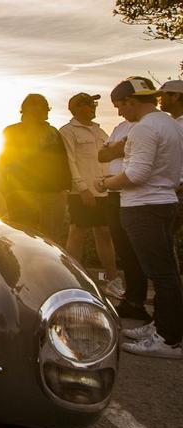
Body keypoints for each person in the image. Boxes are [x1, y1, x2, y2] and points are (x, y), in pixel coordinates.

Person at [94, 76, 183, 358]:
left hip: (144, 206)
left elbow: (136, 174)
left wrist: (106, 183)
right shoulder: (169, 123)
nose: (120, 112)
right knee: (165, 270)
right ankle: (162, 325)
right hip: (162, 201)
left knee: (162, 274)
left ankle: (168, 340)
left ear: (131, 101)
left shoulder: (145, 128)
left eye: (120, 106)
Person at [59, 93, 124, 298]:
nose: (92, 108)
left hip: (104, 190)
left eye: (93, 104)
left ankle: (112, 280)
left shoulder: (100, 131)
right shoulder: (67, 131)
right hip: (83, 192)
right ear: (75, 108)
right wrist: (82, 188)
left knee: (104, 233)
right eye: (88, 104)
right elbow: (70, 161)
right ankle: (72, 280)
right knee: (77, 233)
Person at [0, 94, 71, 242]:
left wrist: (65, 190)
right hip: (22, 195)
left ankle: (49, 266)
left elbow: (63, 160)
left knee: (51, 243)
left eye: (47, 107)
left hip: (53, 195)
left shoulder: (54, 132)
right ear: (29, 109)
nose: (47, 111)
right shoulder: (12, 131)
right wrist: (9, 192)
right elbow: (2, 163)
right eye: (44, 107)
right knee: (23, 240)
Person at [99, 117, 150, 321]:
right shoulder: (120, 127)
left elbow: (123, 155)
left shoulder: (149, 125)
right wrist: (119, 147)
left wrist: (117, 148)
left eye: (121, 104)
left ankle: (141, 304)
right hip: (115, 192)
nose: (119, 110)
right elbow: (102, 155)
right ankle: (132, 301)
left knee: (139, 251)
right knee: (125, 250)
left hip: (135, 193)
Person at [158, 80, 183, 241]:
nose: (159, 100)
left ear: (175, 96)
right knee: (164, 241)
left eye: (163, 96)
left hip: (178, 191)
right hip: (171, 190)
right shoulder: (171, 124)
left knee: (160, 240)